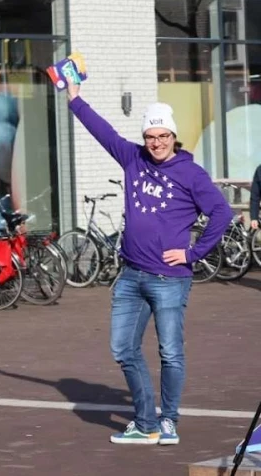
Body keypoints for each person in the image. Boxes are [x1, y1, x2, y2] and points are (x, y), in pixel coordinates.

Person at [66, 79, 232, 445]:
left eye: (163, 136)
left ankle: (168, 420)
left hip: (170, 279)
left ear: (173, 136)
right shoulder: (132, 158)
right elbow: (102, 131)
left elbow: (221, 212)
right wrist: (75, 99)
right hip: (131, 276)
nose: (156, 143)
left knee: (170, 352)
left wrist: (193, 253)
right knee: (123, 349)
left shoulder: (191, 173)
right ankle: (146, 423)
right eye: (151, 137)